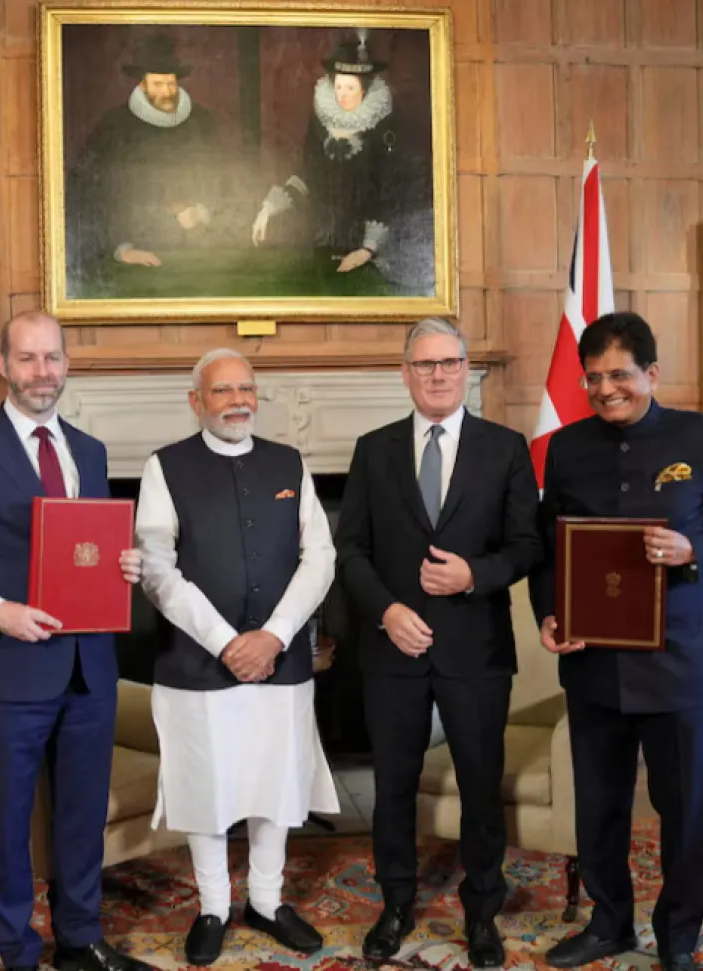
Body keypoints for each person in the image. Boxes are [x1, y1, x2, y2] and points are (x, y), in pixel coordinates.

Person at [0, 310, 154, 971]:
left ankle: (80, 938)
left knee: (80, 817)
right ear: (3, 366)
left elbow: (84, 551)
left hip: (89, 669)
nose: (42, 371)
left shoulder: (90, 451)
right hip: (8, 668)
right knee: (9, 825)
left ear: (67, 364)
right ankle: (17, 949)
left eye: (53, 358)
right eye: (28, 358)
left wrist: (123, 564)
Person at [531, 312, 703, 971]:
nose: (606, 388)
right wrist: (549, 614)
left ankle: (677, 935)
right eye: (594, 378)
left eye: (620, 374)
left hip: (680, 664)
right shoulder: (566, 446)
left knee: (684, 812)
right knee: (599, 807)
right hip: (594, 662)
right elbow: (548, 547)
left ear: (651, 374)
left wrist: (696, 546)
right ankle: (610, 923)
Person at [335, 317, 542, 968]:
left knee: (482, 784)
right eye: (424, 365)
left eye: (449, 362)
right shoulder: (373, 449)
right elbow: (351, 549)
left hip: (474, 647)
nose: (438, 374)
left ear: (466, 369)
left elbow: (529, 544)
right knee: (392, 784)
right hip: (391, 646)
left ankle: (483, 912)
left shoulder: (505, 448)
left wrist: (474, 575)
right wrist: (388, 609)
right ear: (405, 373)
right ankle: (395, 903)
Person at [134, 348, 339, 966]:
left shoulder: (289, 462)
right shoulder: (164, 467)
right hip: (198, 664)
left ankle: (268, 901)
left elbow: (321, 558)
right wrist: (227, 642)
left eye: (246, 389)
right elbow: (155, 571)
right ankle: (214, 906)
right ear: (197, 401)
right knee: (207, 787)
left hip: (280, 661)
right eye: (222, 391)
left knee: (276, 782)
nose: (237, 401)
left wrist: (273, 635)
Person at [251, 30, 429, 291]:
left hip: (370, 247)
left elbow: (391, 192)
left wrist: (368, 249)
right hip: (323, 239)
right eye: (338, 87)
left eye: (350, 87)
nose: (342, 94)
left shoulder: (385, 128)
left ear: (365, 90)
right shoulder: (320, 123)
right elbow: (307, 175)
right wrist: (269, 209)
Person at [65, 34, 226, 277]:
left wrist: (203, 210)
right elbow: (88, 192)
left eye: (171, 84)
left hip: (200, 249)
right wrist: (121, 249)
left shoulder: (201, 121)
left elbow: (227, 179)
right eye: (158, 85)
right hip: (135, 250)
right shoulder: (114, 125)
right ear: (142, 85)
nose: (166, 91)